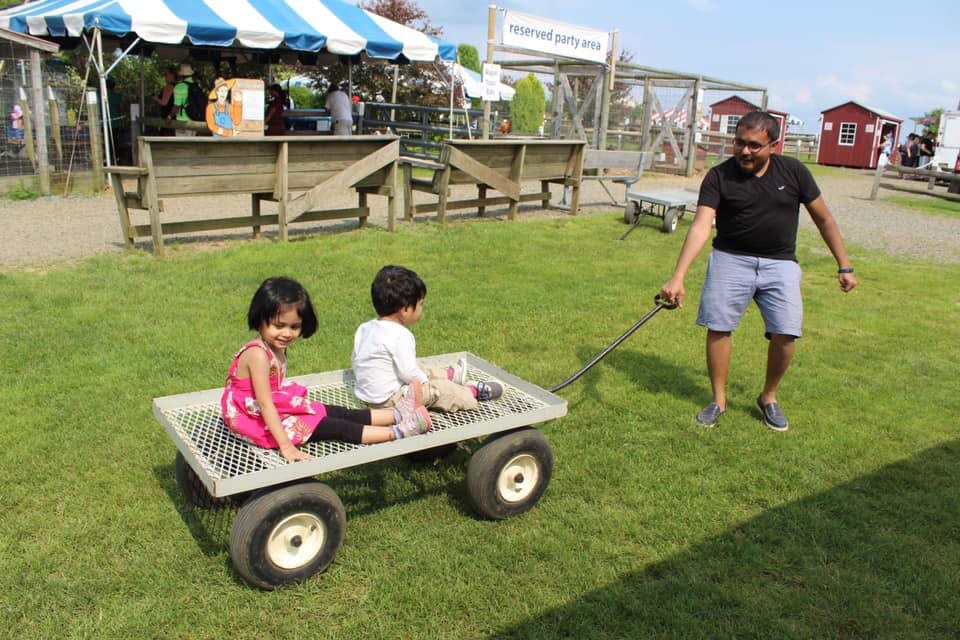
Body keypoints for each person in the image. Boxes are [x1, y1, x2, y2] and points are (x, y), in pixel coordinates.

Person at [658, 111, 857, 432]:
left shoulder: (794, 172)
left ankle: (769, 397)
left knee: (787, 331)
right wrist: (678, 276)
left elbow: (825, 219)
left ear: (773, 146)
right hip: (729, 258)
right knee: (719, 327)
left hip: (780, 263)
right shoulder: (719, 176)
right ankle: (718, 400)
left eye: (754, 146)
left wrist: (844, 265)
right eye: (739, 143)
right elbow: (700, 226)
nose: (744, 152)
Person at [221, 277, 432, 463]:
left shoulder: (274, 346)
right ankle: (399, 431)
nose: (286, 333)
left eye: (294, 327)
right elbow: (265, 404)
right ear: (260, 319)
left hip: (267, 407)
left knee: (335, 412)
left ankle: (397, 414)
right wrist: (286, 446)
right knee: (333, 426)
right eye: (279, 325)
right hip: (253, 420)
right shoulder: (258, 355)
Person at [352, 265, 503, 413]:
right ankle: (472, 392)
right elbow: (408, 373)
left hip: (366, 397)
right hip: (390, 402)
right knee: (440, 390)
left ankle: (450, 375)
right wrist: (426, 383)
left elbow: (356, 359)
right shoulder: (401, 335)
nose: (422, 308)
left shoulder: (365, 328)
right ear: (405, 309)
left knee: (414, 364)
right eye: (420, 304)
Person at [168, 62, 198, 136]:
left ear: (181, 75)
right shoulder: (196, 86)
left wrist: (169, 116)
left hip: (183, 121)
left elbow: (176, 106)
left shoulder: (179, 87)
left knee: (181, 146)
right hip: (194, 120)